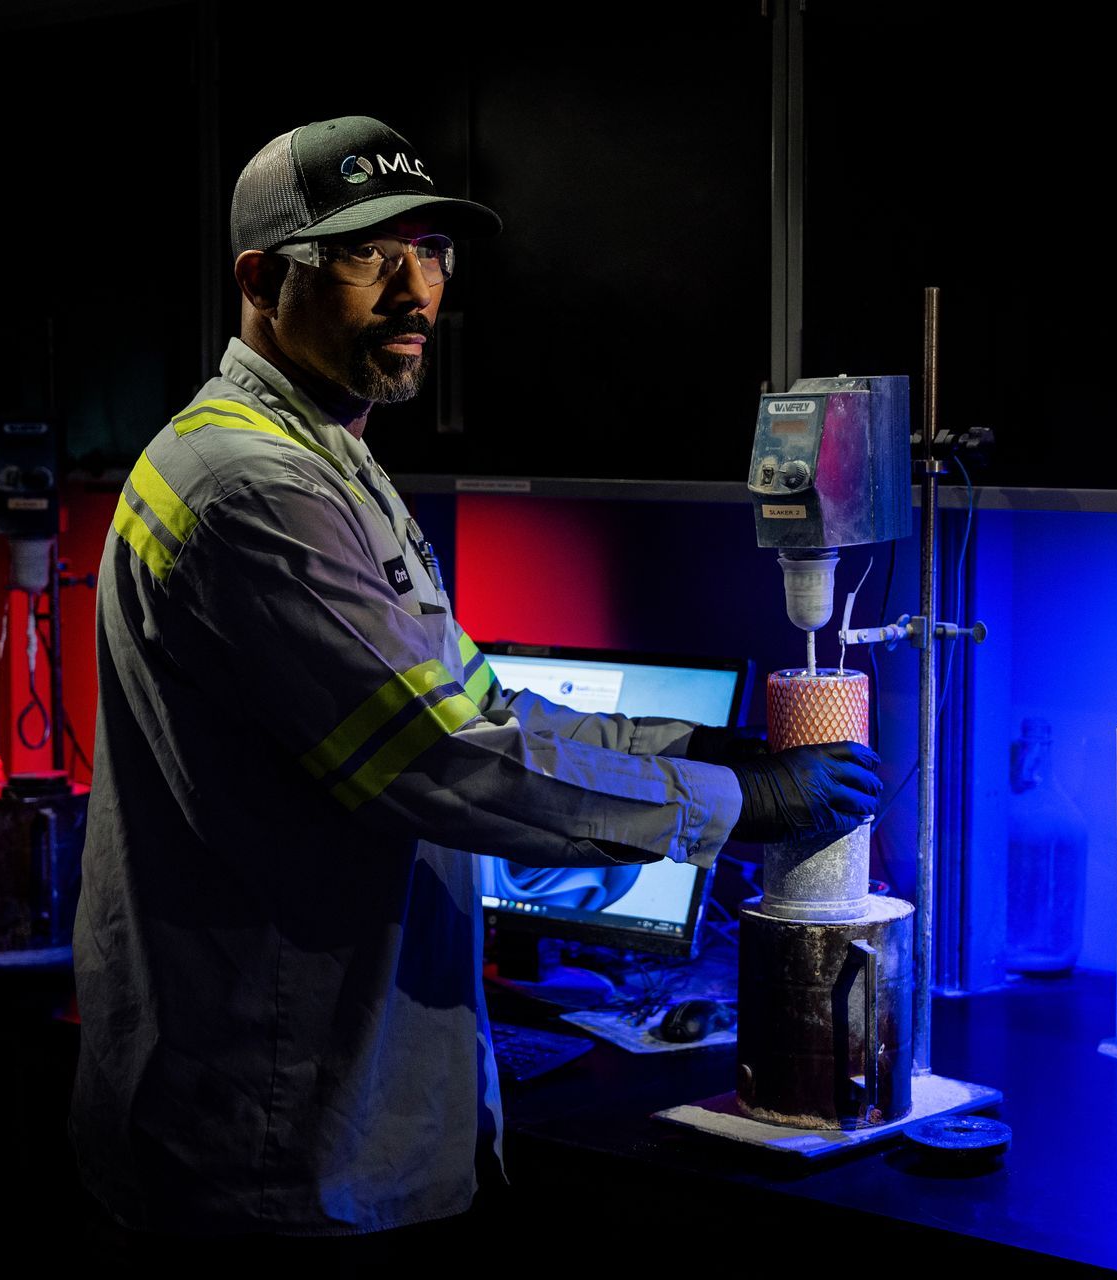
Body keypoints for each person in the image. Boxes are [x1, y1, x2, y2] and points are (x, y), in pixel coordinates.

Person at [69, 114, 881, 1249]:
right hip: (276, 1149)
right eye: (369, 255)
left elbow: (469, 704)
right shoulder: (251, 490)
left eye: (433, 252)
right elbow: (448, 764)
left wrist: (695, 751)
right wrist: (744, 806)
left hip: (301, 1116)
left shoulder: (316, 454)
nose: (418, 291)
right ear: (261, 279)